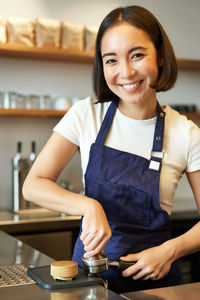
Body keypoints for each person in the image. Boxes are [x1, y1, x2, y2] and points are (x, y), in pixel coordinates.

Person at [23, 5, 200, 294]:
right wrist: (88, 205)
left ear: (160, 55)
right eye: (111, 60)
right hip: (88, 283)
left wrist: (171, 250)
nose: (126, 72)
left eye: (138, 55)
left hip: (156, 287)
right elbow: (33, 186)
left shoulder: (186, 133)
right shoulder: (85, 114)